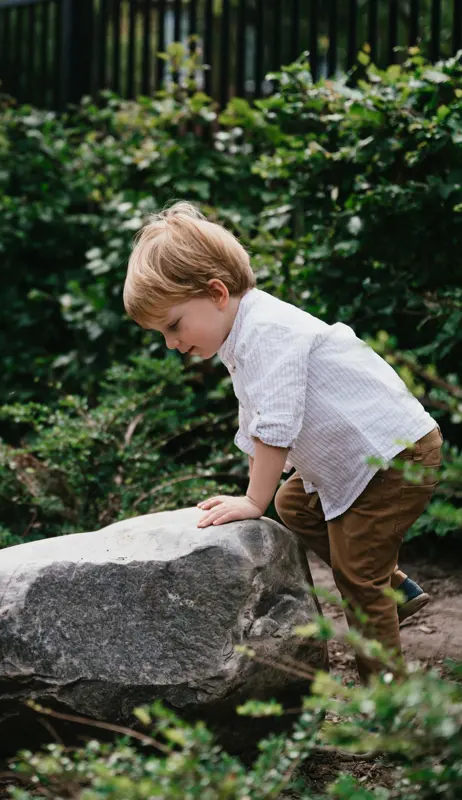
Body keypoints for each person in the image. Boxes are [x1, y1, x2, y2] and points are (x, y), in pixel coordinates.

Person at [123, 201, 443, 682]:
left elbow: (275, 423)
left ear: (216, 293)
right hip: (361, 463)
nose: (171, 343)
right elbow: (256, 418)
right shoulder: (242, 334)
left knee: (358, 578)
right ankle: (398, 591)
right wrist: (259, 491)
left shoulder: (267, 332)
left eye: (173, 326)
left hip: (395, 458)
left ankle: (389, 699)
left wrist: (253, 500)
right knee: (294, 504)